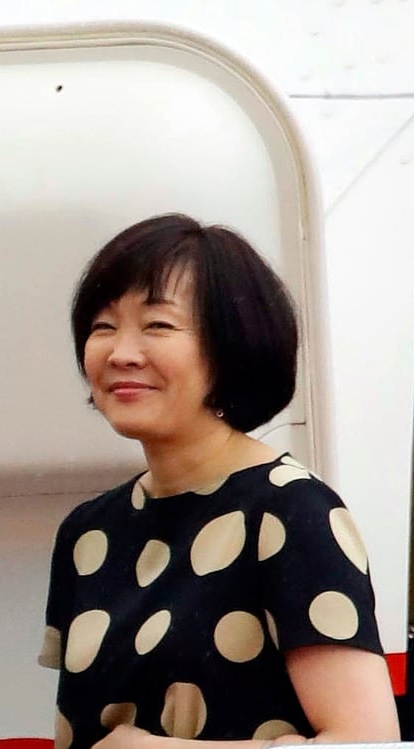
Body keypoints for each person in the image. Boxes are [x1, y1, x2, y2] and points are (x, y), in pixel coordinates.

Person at [39, 214, 399, 749]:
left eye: (157, 326)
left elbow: (364, 743)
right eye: (103, 326)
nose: (122, 352)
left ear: (232, 344)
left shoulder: (293, 510)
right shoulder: (88, 530)